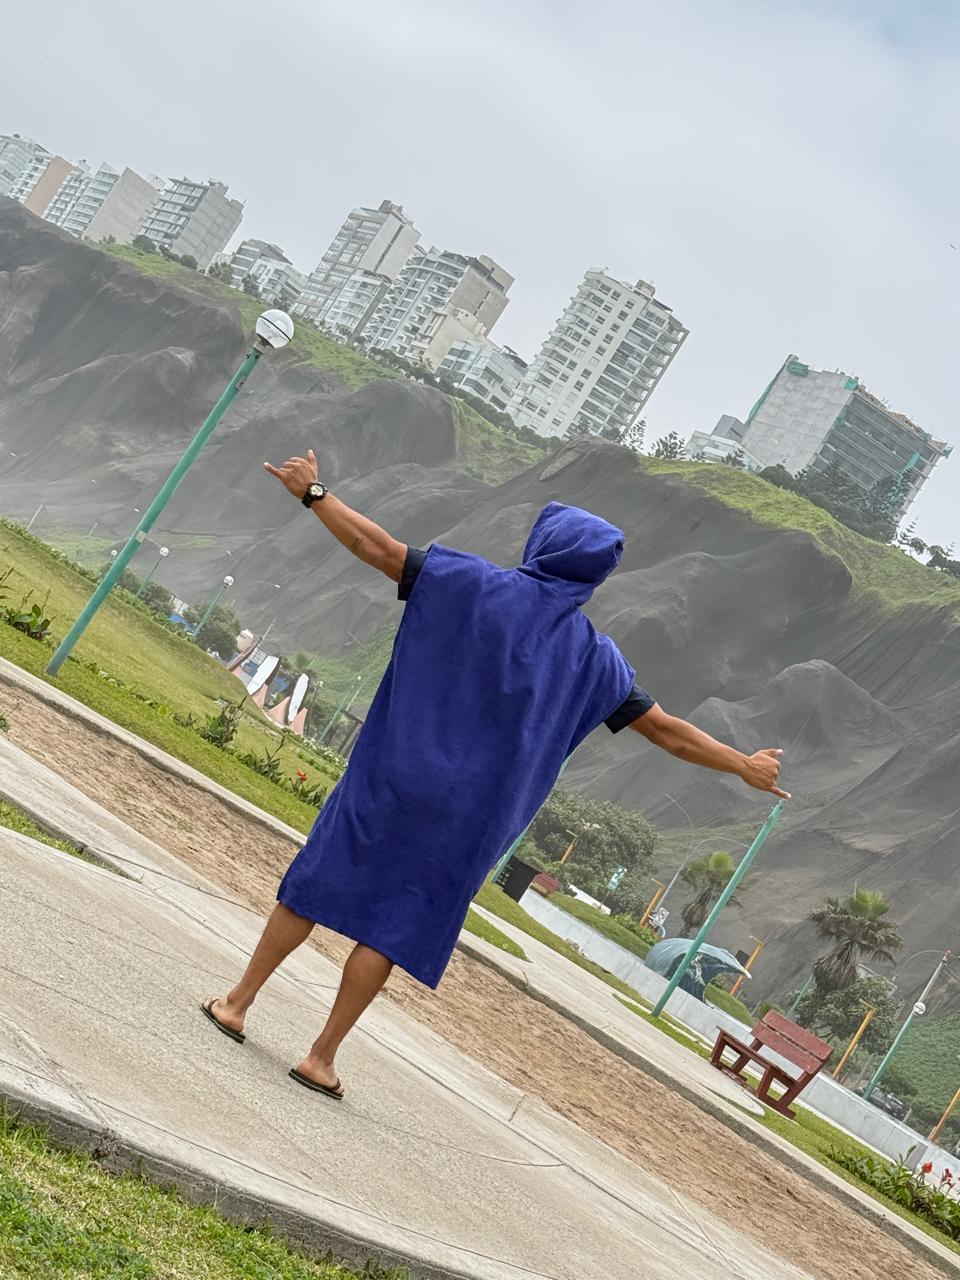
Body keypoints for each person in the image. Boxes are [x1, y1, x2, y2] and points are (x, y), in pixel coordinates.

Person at [202, 449, 789, 1099]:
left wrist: (312, 493)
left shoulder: (469, 583)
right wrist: (742, 764)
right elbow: (668, 731)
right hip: (470, 819)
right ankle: (320, 1057)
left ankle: (236, 1003)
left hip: (394, 778)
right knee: (396, 926)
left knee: (317, 881)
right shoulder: (597, 659)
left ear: (545, 545)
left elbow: (376, 547)